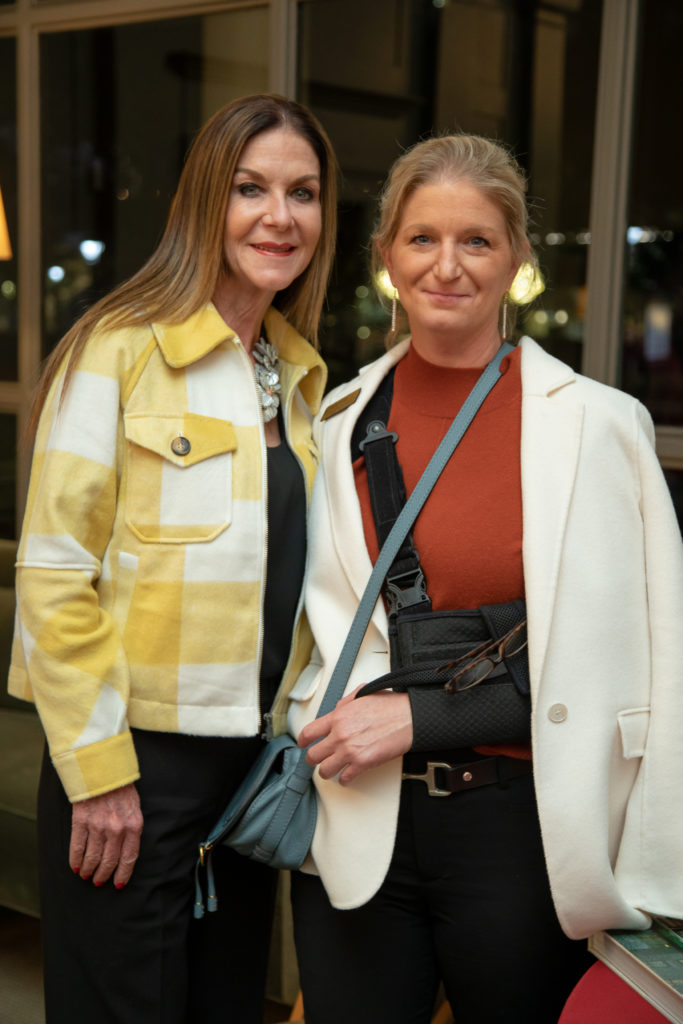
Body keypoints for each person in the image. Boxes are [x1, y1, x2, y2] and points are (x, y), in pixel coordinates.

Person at [287, 133, 683, 1024]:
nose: (446, 266)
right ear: (386, 256)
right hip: (357, 823)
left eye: (476, 240)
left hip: (524, 839)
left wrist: (423, 717)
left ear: (517, 260)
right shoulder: (338, 421)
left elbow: (632, 663)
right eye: (421, 238)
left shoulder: (599, 426)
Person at [8, 93, 337, 1024]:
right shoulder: (117, 350)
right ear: (204, 201)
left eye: (303, 193)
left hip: (252, 772)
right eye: (250, 188)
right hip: (132, 768)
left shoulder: (302, 379)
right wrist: (100, 772)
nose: (279, 217)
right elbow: (53, 575)